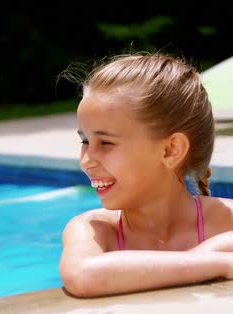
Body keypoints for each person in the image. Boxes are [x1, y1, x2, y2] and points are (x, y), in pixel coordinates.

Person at [59, 53, 233, 298]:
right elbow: (83, 275)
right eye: (85, 141)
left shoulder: (226, 219)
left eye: (106, 143)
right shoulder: (94, 230)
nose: (86, 160)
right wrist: (215, 260)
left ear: (170, 150)